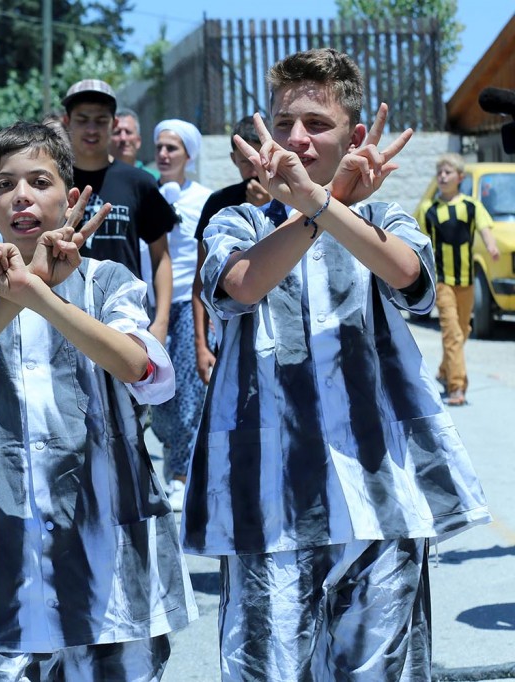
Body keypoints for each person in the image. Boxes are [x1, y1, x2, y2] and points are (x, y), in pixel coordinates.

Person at [186, 48, 490, 680]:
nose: (297, 138)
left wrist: (330, 204)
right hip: (267, 504)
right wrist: (313, 204)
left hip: (381, 502)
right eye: (284, 121)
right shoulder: (235, 220)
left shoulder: (383, 216)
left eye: (316, 124)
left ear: (353, 137)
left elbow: (412, 279)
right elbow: (240, 285)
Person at [0, 121, 196, 679]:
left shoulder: (109, 283)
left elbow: (150, 373)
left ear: (71, 197)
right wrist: (9, 299)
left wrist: (40, 294)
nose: (22, 196)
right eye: (6, 184)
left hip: (106, 568)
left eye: (40, 181)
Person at [62, 79, 176, 343]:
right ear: (67, 122)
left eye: (101, 120)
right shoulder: (51, 182)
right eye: (82, 119)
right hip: (64, 314)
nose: (92, 129)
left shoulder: (138, 182)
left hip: (126, 318)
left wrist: (160, 322)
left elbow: (161, 257)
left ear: (113, 124)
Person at [148, 119, 213, 511]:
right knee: (156, 396)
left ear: (188, 155)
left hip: (187, 304)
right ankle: (173, 456)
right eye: (160, 147)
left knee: (189, 391)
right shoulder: (145, 192)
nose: (164, 154)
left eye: (172, 148)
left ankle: (180, 474)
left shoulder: (204, 198)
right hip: (149, 304)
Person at [190, 116, 271, 386]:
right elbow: (201, 281)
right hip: (233, 334)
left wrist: (273, 205)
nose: (253, 167)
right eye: (245, 160)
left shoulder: (298, 197)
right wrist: (201, 346)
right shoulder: (218, 202)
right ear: (233, 159)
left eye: (258, 156)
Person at [415, 153, 500, 406]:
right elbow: (417, 239)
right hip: (443, 281)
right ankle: (457, 387)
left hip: (467, 280)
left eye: (448, 172)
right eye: (439, 172)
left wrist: (492, 246)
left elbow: (485, 228)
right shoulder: (428, 209)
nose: (442, 176)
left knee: (462, 332)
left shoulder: (472, 206)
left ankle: (443, 372)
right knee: (452, 334)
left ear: (460, 178)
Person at [109, 108, 159, 179]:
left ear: (138, 141)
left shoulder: (155, 179)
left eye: (128, 132)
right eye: (117, 133)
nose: (123, 138)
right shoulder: (98, 178)